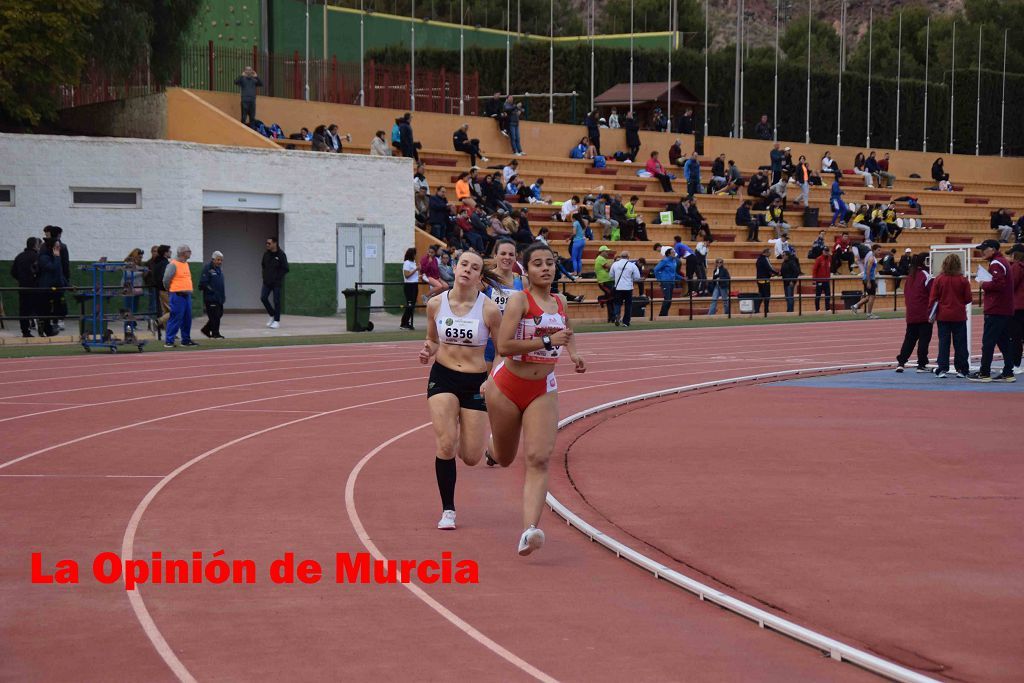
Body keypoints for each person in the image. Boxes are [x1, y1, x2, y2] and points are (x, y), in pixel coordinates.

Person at [482, 242, 586, 556]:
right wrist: (545, 340)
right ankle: (491, 447)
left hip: (543, 389)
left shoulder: (560, 301)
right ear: (525, 270)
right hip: (507, 388)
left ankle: (530, 531)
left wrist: (574, 354)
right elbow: (505, 346)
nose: (545, 268)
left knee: (538, 459)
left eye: (550, 263)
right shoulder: (519, 301)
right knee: (504, 457)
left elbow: (566, 330)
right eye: (538, 263)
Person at [419, 251, 503, 530]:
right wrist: (426, 351)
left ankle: (486, 443)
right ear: (455, 269)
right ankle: (448, 510)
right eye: (464, 264)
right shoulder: (435, 304)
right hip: (442, 377)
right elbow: (432, 340)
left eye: (474, 267)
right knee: (445, 443)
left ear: (480, 276)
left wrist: (492, 377)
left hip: (475, 382)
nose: (467, 270)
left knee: (470, 456)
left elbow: (503, 351)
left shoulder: (489, 309)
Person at [968, 240, 1016, 382]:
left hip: (996, 309)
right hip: (1004, 308)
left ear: (993, 249)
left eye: (984, 249)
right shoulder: (1002, 262)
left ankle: (984, 372)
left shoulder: (996, 263)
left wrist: (984, 284)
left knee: (988, 341)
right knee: (1004, 342)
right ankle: (1008, 372)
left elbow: (998, 284)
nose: (982, 252)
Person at [929, 253, 973, 379]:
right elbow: (968, 298)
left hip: (943, 315)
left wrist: (931, 313)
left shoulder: (939, 279)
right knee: (960, 344)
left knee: (943, 343)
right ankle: (962, 369)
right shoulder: (963, 280)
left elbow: (933, 298)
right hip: (958, 315)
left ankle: (942, 368)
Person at [483, 238, 524, 371]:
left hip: (512, 342)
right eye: (503, 253)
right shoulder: (485, 280)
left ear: (516, 257)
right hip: (487, 342)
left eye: (511, 254)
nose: (507, 257)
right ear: (495, 256)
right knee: (487, 386)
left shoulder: (523, 281)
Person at [894, 253, 932, 373]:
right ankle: (921, 364)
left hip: (911, 313)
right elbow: (932, 292)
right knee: (924, 340)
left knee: (909, 339)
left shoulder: (911, 276)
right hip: (924, 313)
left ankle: (901, 362)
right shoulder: (926, 275)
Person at [162, 245, 199, 348]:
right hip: (177, 295)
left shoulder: (185, 264)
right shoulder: (173, 264)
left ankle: (185, 340)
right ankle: (169, 341)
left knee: (187, 319)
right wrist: (169, 290)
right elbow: (166, 280)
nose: (190, 253)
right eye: (189, 251)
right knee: (175, 317)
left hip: (186, 296)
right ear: (183, 253)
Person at [37, 238, 66, 337]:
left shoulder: (55, 257)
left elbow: (60, 273)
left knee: (58, 309)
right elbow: (53, 268)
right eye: (57, 247)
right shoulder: (44, 257)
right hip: (46, 288)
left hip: (55, 287)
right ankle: (46, 329)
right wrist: (57, 257)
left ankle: (50, 327)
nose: (59, 249)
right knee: (45, 311)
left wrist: (67, 284)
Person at [11, 237, 40, 337]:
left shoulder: (19, 257)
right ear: (35, 245)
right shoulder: (37, 257)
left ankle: (25, 331)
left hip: (23, 287)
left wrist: (21, 279)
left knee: (23, 310)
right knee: (39, 308)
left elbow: (13, 272)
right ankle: (42, 328)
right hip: (35, 287)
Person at [261, 237, 289, 329]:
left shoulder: (281, 255)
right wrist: (265, 276)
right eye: (266, 243)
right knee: (263, 298)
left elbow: (285, 268)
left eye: (269, 243)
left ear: (275, 243)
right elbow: (263, 265)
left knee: (276, 301)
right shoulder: (266, 254)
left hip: (276, 282)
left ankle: (276, 321)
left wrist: (277, 277)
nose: (267, 245)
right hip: (267, 282)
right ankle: (272, 314)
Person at [199, 251, 226, 339]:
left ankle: (206, 329)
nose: (220, 262)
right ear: (213, 259)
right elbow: (203, 283)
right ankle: (215, 333)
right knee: (215, 316)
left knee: (219, 314)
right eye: (218, 260)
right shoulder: (207, 268)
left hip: (219, 297)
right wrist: (212, 291)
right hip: (211, 297)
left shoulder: (219, 269)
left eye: (221, 260)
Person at [851, 243, 882, 319]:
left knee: (869, 296)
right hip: (869, 279)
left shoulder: (872, 258)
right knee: (872, 296)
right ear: (874, 250)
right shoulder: (871, 258)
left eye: (880, 250)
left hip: (870, 279)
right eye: (878, 250)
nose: (879, 252)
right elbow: (867, 270)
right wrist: (868, 281)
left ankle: (855, 306)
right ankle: (869, 314)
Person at [121, 248, 145, 341]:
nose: (140, 258)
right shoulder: (127, 263)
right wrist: (141, 272)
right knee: (128, 310)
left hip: (137, 289)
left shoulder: (138, 264)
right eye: (139, 256)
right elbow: (127, 275)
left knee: (134, 309)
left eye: (141, 257)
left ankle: (133, 325)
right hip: (128, 289)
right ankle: (127, 328)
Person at [1008, 244, 1024, 375]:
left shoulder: (1016, 267)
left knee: (1016, 337)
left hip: (1018, 306)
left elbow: (1011, 285)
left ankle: (1016, 363)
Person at [653, 248, 682, 317]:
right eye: (672, 252)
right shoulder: (665, 260)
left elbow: (674, 273)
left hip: (672, 282)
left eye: (674, 252)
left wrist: (682, 278)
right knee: (667, 298)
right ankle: (662, 315)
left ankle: (665, 314)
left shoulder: (674, 261)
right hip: (665, 282)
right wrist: (659, 280)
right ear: (669, 254)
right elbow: (656, 269)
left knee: (669, 299)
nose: (674, 253)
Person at [593, 245, 616, 323]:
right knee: (610, 298)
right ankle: (601, 299)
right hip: (604, 281)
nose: (607, 253)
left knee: (611, 299)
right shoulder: (600, 259)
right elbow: (609, 267)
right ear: (601, 252)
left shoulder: (602, 259)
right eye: (606, 252)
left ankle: (611, 318)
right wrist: (615, 263)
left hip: (607, 280)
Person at [400, 248, 420, 331]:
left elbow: (414, 275)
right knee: (410, 304)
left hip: (415, 285)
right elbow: (407, 275)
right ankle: (403, 322)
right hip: (409, 286)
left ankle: (408, 322)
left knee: (413, 304)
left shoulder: (413, 263)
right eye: (415, 254)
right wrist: (416, 269)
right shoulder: (407, 263)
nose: (416, 256)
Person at [754, 248, 779, 313]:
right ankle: (766, 310)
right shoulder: (765, 258)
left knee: (761, 295)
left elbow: (763, 269)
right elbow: (769, 267)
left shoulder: (759, 259)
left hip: (759, 279)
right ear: (766, 253)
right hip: (765, 280)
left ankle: (757, 309)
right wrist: (777, 273)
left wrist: (770, 274)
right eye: (769, 252)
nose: (770, 254)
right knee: (767, 295)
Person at [812, 247, 832, 312]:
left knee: (828, 295)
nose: (826, 252)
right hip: (819, 280)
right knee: (818, 295)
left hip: (826, 280)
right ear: (822, 251)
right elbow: (814, 269)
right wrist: (814, 280)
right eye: (825, 251)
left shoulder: (829, 258)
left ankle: (828, 308)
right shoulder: (819, 259)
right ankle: (817, 309)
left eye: (827, 251)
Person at [569, 210, 587, 276]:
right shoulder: (581, 223)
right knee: (579, 258)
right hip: (582, 241)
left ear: (574, 218)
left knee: (574, 258)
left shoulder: (575, 223)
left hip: (577, 241)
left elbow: (574, 233)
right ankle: (579, 272)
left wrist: (569, 238)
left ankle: (575, 272)